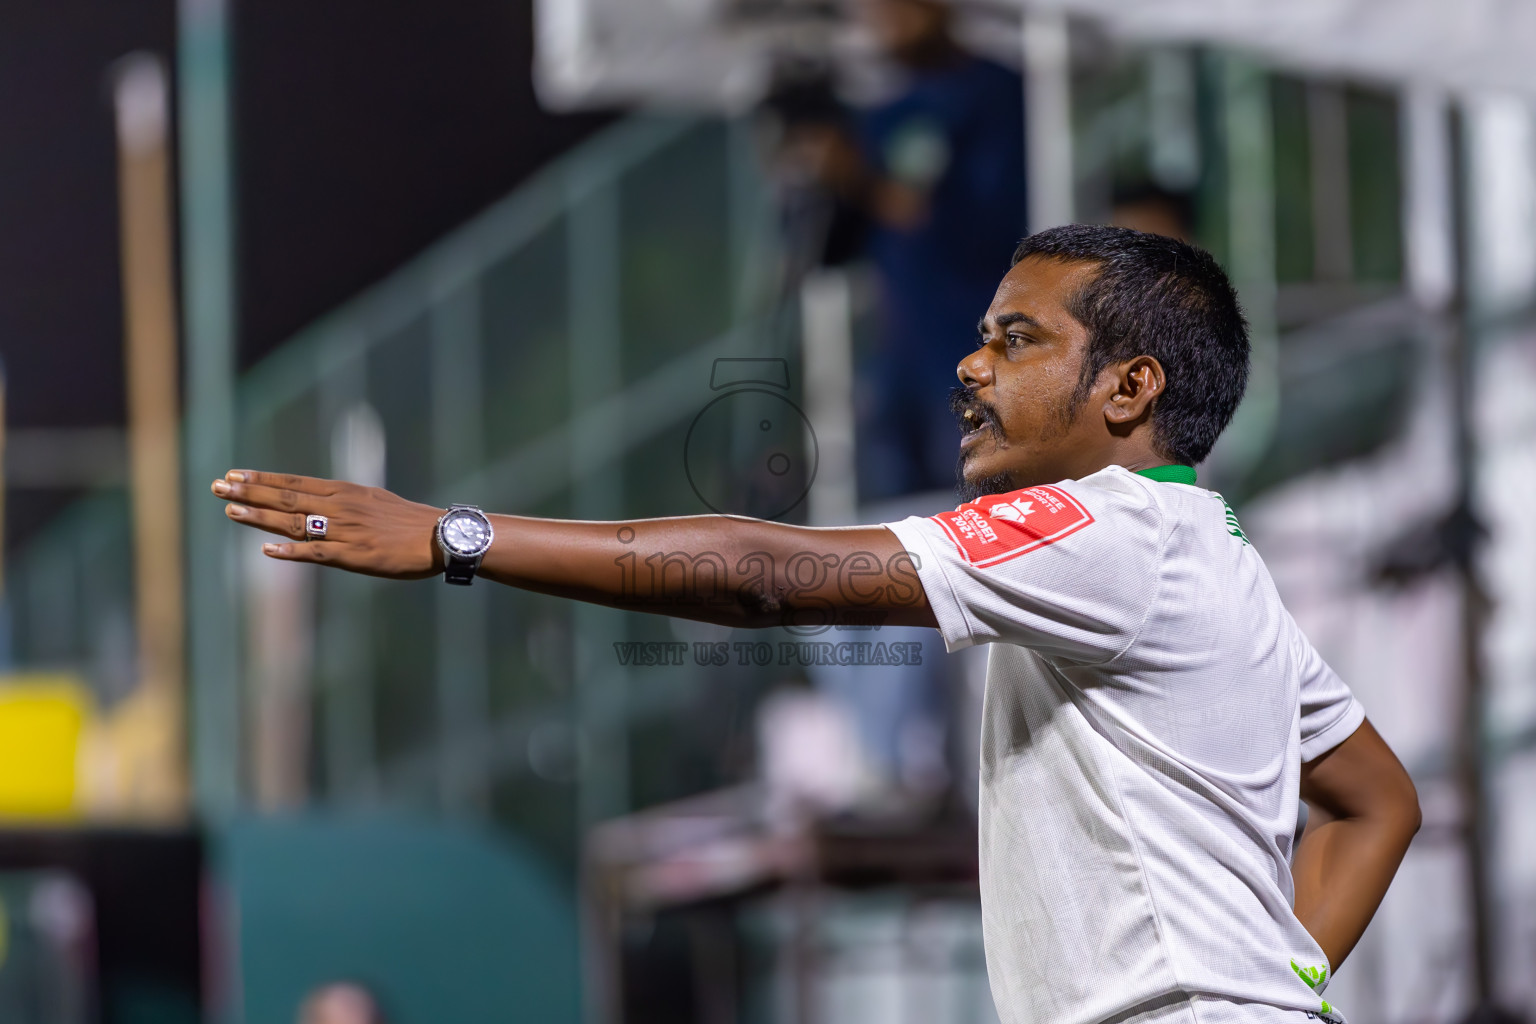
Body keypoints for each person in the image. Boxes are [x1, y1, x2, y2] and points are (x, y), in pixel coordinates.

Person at [214, 225, 1420, 1024]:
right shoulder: (1207, 552)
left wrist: (451, 537)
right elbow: (1379, 800)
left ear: (1130, 386)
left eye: (1018, 339)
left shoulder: (1104, 530)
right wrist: (1283, 976)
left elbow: (761, 572)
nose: (970, 365)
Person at [786, 0, 1026, 498]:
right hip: (899, 348)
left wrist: (860, 178)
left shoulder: (998, 90)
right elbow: (833, 247)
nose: (885, 18)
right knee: (896, 509)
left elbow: (981, 219)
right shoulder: (880, 114)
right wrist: (819, 176)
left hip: (977, 338)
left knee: (971, 496)